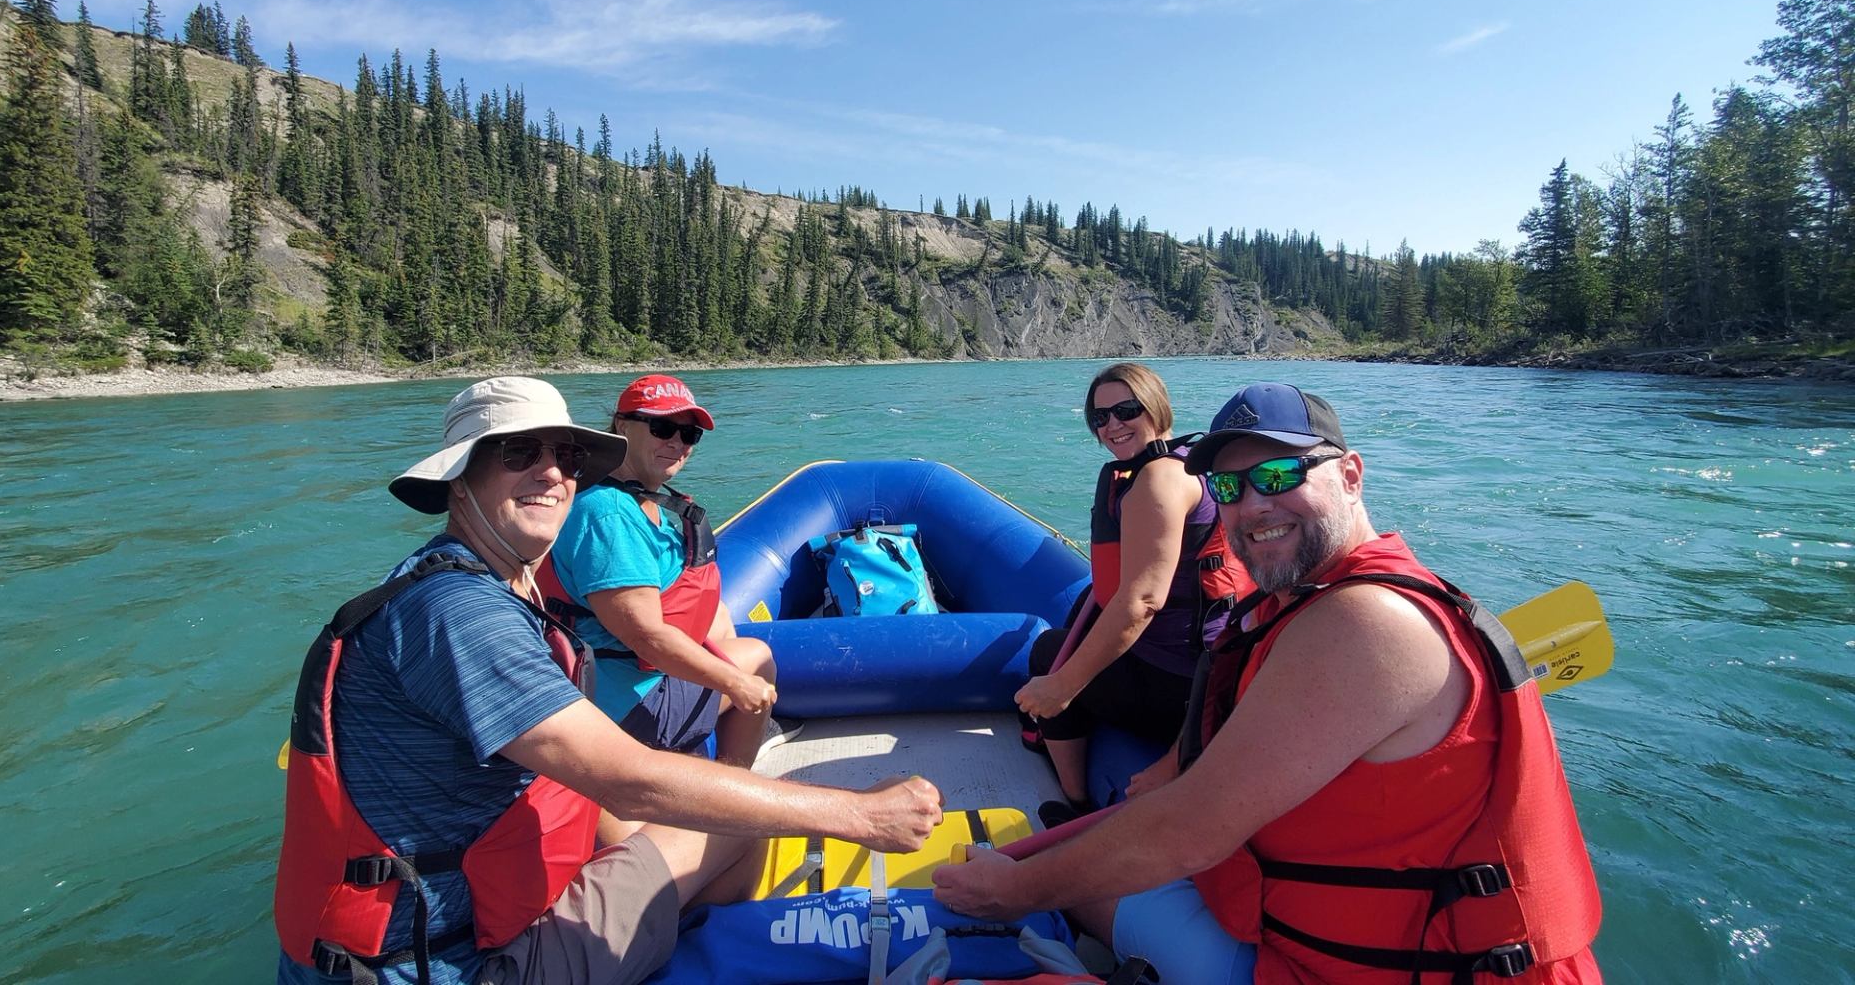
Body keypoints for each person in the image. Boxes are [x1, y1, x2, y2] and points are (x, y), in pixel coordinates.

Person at [274, 376, 942, 985]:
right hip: (467, 965)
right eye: (517, 453)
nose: (552, 474)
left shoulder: (459, 579)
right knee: (736, 825)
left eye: (566, 457)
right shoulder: (459, 613)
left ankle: (670, 934)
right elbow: (630, 778)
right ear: (459, 478)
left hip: (464, 921)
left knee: (693, 814)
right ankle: (702, 957)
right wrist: (859, 814)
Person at [939, 382, 1602, 984]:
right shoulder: (1302, 598)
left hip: (1354, 970)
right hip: (1297, 914)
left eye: (1279, 474)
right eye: (1229, 488)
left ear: (1351, 475)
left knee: (1084, 892)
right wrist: (1174, 762)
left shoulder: (1366, 623)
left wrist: (1011, 891)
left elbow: (1188, 832)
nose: (1253, 505)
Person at [1015, 362, 1250, 823]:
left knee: (1047, 652)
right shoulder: (1192, 463)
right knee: (1081, 615)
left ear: (1156, 408)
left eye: (1126, 410)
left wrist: (1062, 686)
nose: (1112, 425)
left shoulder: (1157, 480)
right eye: (1100, 417)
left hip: (1176, 687)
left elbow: (1143, 601)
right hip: (1203, 669)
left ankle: (1075, 801)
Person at [540, 374, 784, 768]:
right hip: (626, 706)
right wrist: (738, 684)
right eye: (662, 428)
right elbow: (647, 637)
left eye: (689, 434)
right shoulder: (609, 515)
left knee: (722, 620)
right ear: (622, 426)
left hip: (633, 681)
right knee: (758, 659)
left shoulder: (639, 498)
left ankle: (726, 732)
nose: (677, 443)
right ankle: (733, 780)